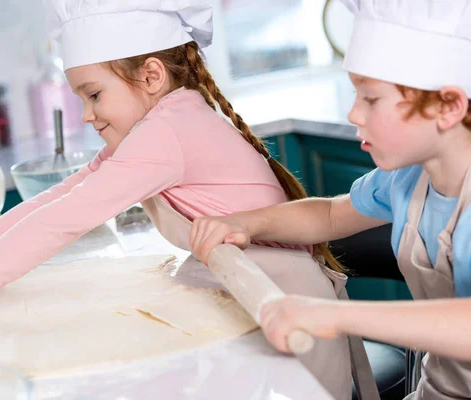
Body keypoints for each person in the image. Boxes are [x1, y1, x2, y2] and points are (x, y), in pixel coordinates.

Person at [0, 1, 363, 398]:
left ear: (151, 75)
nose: (87, 115)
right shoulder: (160, 123)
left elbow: (68, 218)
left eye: (93, 95)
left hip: (282, 302)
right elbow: (54, 200)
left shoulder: (169, 130)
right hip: (247, 291)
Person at [190, 0, 471, 398]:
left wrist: (336, 315)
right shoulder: (407, 179)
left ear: (448, 106)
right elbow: (330, 214)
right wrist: (247, 222)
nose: (353, 112)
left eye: (370, 99)